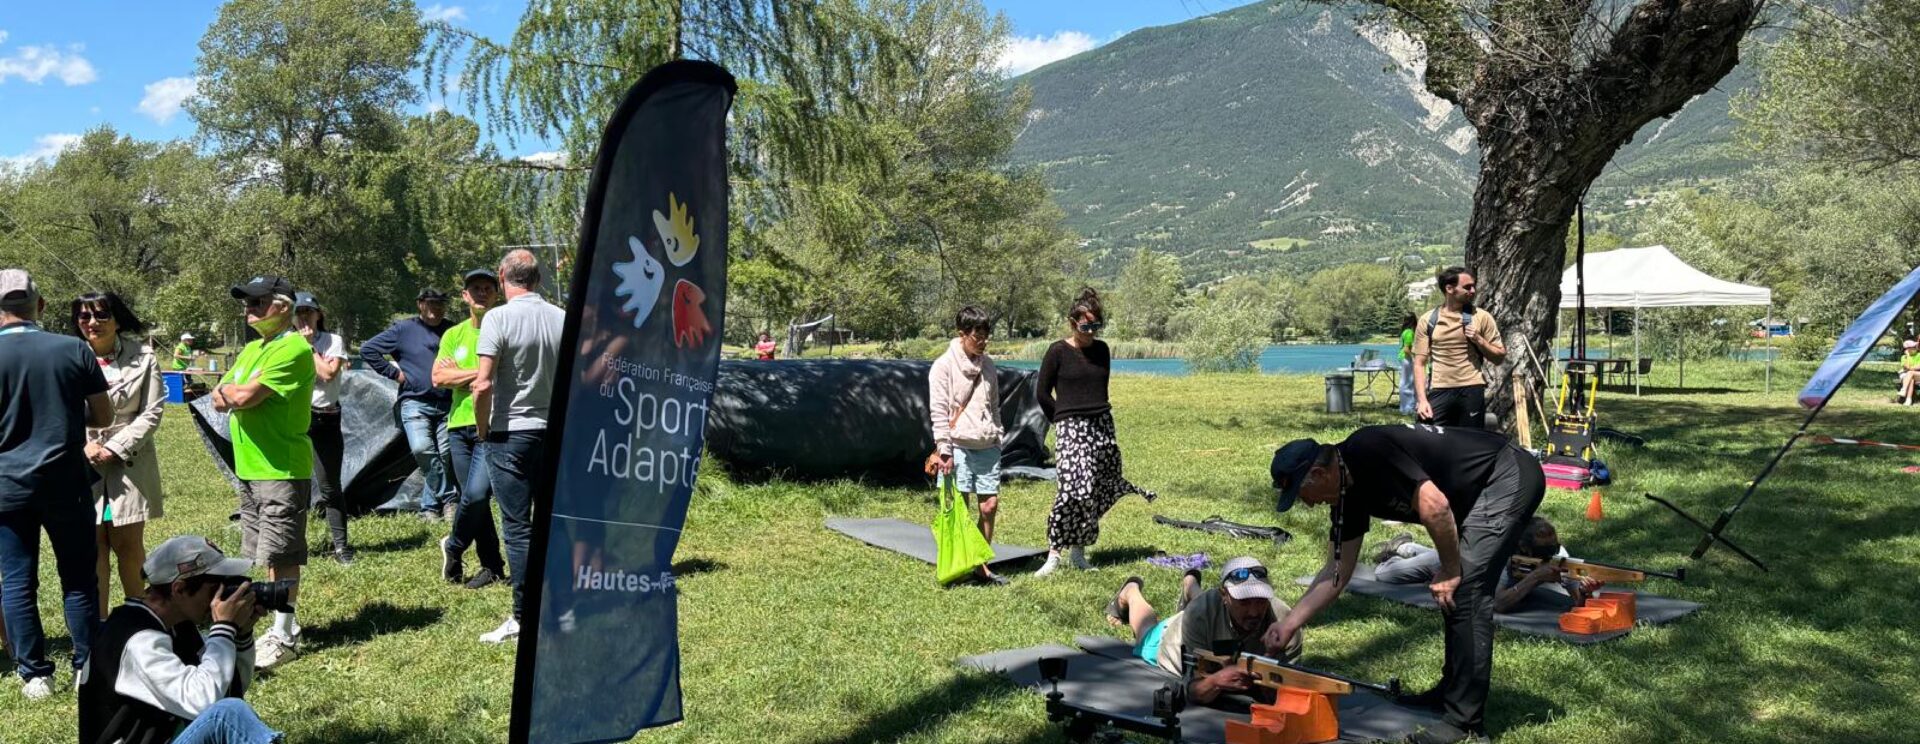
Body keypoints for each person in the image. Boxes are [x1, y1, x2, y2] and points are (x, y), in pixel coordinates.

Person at [1267, 423, 1546, 744]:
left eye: (1301, 493)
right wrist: (1288, 624)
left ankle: (1464, 722)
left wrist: (1450, 568)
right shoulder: (1345, 492)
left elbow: (1435, 506)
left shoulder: (1368, 450)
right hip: (1476, 489)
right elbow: (1337, 571)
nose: (1307, 504)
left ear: (1319, 473)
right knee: (1456, 589)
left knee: (1467, 589)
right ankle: (1451, 692)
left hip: (1506, 474)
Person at [0, 268, 112, 700]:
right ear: (40, 305)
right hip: (66, 481)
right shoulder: (73, 349)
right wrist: (64, 412)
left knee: (17, 581)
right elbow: (103, 415)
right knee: (79, 578)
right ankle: (87, 664)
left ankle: (34, 674)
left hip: (8, 485)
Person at [77, 535, 283, 744]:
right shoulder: (137, 638)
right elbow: (203, 701)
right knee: (227, 714)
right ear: (179, 589)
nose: (219, 600)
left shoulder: (177, 624)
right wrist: (224, 628)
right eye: (215, 590)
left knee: (230, 709)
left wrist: (240, 636)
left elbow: (227, 688)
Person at [211, 276, 314, 671]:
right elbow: (221, 393)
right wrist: (232, 393)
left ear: (283, 306)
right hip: (250, 467)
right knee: (264, 552)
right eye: (247, 303)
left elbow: (242, 395)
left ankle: (284, 635)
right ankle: (278, 624)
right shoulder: (254, 349)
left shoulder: (293, 348)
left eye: (257, 302)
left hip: (281, 467)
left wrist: (234, 394)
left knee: (283, 554)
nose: (248, 309)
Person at [472, 250, 564, 643]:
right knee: (551, 524)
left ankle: (525, 617)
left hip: (510, 434)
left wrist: (482, 429)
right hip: (555, 433)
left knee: (517, 528)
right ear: (538, 279)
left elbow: (482, 385)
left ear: (502, 276)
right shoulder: (562, 317)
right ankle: (560, 607)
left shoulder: (497, 318)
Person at [1033, 287, 1155, 577]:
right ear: (1072, 323)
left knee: (1095, 489)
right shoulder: (1057, 351)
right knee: (1071, 489)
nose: (1090, 332)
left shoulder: (1102, 350)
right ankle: (1054, 553)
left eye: (1096, 326)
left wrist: (1098, 423)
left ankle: (1079, 551)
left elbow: (1100, 389)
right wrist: (1062, 421)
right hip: (1071, 427)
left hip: (1101, 425)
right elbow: (1042, 393)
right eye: (1085, 327)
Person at [72, 292, 167, 620]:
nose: (92, 323)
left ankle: (138, 621)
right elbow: (58, 410)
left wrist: (115, 447)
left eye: (101, 315)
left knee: (129, 546)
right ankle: (98, 626)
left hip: (130, 463)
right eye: (84, 316)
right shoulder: (68, 355)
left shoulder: (144, 356)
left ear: (117, 319)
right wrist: (83, 445)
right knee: (93, 547)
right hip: (83, 463)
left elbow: (152, 412)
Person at [1103, 557, 1303, 705]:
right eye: (1244, 602)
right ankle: (1131, 592)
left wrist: (1270, 667)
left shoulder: (1285, 623)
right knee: (1146, 633)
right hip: (1173, 636)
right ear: (1225, 595)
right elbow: (1193, 690)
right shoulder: (1199, 614)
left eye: (1260, 601)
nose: (1254, 612)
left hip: (1208, 615)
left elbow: (1285, 695)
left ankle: (1190, 584)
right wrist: (1216, 682)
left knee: (1205, 606)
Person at [434, 269, 508, 590]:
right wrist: (482, 373)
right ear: (465, 296)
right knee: (472, 500)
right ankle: (492, 566)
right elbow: (438, 377)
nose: (481, 293)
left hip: (490, 425)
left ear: (496, 296)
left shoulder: (503, 329)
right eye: (475, 288)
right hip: (457, 427)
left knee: (478, 495)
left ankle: (453, 545)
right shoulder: (453, 335)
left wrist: (463, 374)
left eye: (488, 288)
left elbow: (501, 376)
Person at [360, 287, 456, 520]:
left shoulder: (452, 330)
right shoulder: (404, 329)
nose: (435, 308)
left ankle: (430, 508)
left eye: (440, 303)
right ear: (420, 304)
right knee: (422, 449)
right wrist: (395, 374)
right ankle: (450, 499)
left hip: (448, 402)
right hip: (414, 402)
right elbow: (368, 350)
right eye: (431, 303)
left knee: (445, 454)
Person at [1371, 518, 1601, 613]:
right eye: (1543, 552)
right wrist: (1535, 578)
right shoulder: (1502, 555)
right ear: (1523, 547)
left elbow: (1577, 604)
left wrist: (1584, 593)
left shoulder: (1559, 555)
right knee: (1385, 574)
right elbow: (1498, 604)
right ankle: (1399, 551)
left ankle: (1409, 547)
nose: (1551, 554)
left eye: (1553, 547)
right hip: (1460, 562)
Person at [928, 305, 1006, 585]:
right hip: (957, 447)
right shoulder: (943, 366)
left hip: (987, 445)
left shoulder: (988, 365)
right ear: (962, 334)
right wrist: (944, 449)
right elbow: (938, 411)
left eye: (986, 337)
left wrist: (998, 433)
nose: (983, 342)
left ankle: (981, 566)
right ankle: (959, 565)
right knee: (958, 510)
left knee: (989, 506)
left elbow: (994, 405)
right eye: (977, 337)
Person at [294, 293, 353, 565]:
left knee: (330, 487)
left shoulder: (333, 341)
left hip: (326, 419)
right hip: (296, 418)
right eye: (298, 312)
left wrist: (307, 346)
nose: (304, 317)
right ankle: (294, 545)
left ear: (319, 314)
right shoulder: (286, 343)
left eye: (309, 311)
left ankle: (341, 547)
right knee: (294, 486)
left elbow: (328, 374)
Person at [1412, 267, 1505, 429]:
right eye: (1467, 287)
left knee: (1470, 440)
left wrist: (1479, 339)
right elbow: (1419, 364)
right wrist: (1422, 400)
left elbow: (1499, 357)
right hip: (1439, 389)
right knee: (1428, 437)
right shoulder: (1428, 320)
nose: (1473, 291)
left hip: (1472, 389)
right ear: (1449, 289)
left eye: (1473, 286)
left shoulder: (1482, 317)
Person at [1398, 313, 1418, 416]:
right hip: (1406, 358)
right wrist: (1413, 358)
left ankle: (1404, 407)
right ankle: (1408, 408)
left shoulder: (1404, 332)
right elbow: (1406, 349)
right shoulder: (1409, 332)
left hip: (1402, 358)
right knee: (1408, 382)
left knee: (1404, 382)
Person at [1898, 339, 1920, 405]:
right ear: (1907, 349)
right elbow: (1906, 367)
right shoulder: (1904, 357)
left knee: (1910, 373)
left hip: (1917, 375)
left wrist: (1910, 369)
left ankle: (1904, 390)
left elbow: (1918, 367)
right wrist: (1908, 356)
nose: (1915, 348)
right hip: (1910, 376)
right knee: (1911, 379)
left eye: (1915, 346)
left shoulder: (1919, 355)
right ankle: (1908, 400)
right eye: (1913, 347)